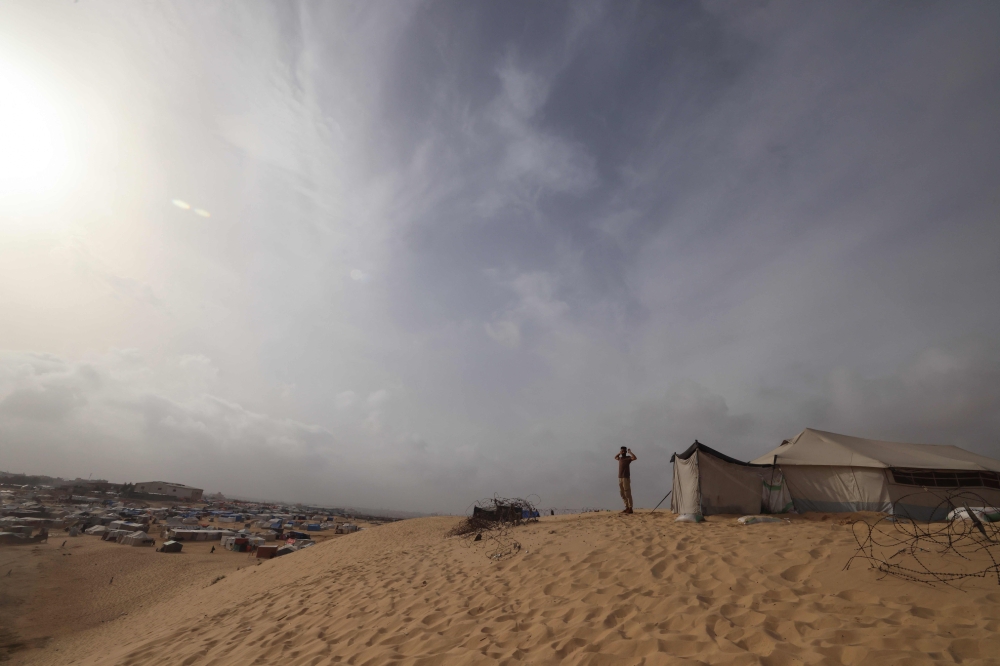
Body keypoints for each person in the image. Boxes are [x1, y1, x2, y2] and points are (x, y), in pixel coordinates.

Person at [615, 446, 637, 513]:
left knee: (627, 493)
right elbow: (615, 457)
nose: (623, 452)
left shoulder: (628, 458)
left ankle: (630, 508)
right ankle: (626, 507)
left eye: (624, 451)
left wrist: (630, 452)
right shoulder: (620, 458)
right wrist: (619, 453)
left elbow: (635, 458)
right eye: (622, 451)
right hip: (620, 477)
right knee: (622, 493)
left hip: (626, 477)